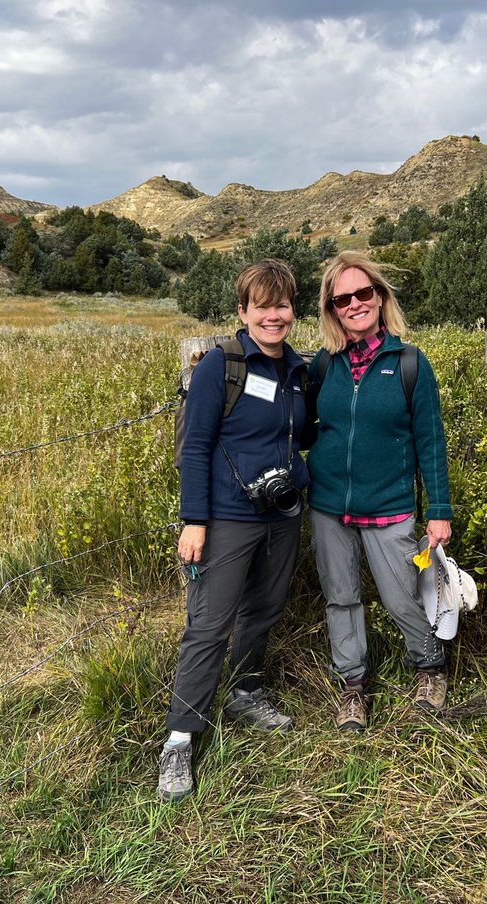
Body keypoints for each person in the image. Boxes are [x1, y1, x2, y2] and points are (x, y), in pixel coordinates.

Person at [158, 259, 309, 802]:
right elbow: (195, 447)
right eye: (262, 306)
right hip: (226, 518)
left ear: (293, 310)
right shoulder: (220, 367)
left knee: (263, 611)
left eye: (282, 305)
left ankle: (246, 692)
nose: (274, 316)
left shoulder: (298, 371)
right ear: (243, 311)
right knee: (209, 624)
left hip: (282, 517)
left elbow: (303, 436)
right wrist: (194, 521)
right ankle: (180, 738)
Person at [307, 250, 453, 732]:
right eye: (342, 299)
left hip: (389, 506)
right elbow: (305, 427)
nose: (354, 304)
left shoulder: (409, 363)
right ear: (332, 310)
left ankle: (429, 666)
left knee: (402, 595)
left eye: (362, 293)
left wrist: (439, 510)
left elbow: (430, 440)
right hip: (328, 505)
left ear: (379, 296)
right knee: (341, 597)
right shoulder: (323, 365)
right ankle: (353, 686)